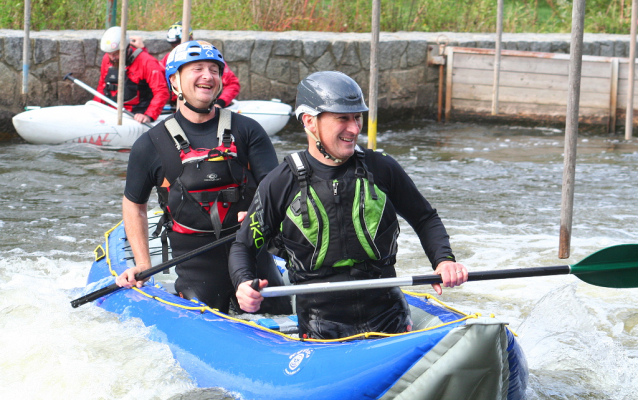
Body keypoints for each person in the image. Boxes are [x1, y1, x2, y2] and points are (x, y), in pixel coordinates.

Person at [228, 71, 468, 340]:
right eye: (342, 118)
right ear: (310, 121)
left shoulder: (382, 168)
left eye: (357, 117)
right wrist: (242, 284)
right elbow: (244, 246)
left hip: (388, 316)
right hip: (322, 324)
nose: (354, 129)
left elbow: (424, 218)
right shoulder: (281, 182)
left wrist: (444, 260)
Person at [115, 40, 288, 315]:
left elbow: (276, 190)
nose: (208, 76)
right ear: (174, 81)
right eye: (197, 69)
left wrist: (262, 213)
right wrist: (143, 265)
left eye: (214, 70)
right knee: (203, 305)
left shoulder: (248, 131)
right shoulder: (151, 144)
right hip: (196, 264)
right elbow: (134, 204)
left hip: (252, 257)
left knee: (279, 311)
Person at [130, 21, 240, 109]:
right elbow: (155, 72)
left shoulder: (209, 58)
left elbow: (233, 84)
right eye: (174, 44)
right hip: (179, 107)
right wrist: (142, 51)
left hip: (209, 106)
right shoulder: (170, 58)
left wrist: (219, 104)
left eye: (179, 43)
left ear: (191, 38)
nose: (177, 47)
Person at [95, 26, 169, 124]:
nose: (112, 58)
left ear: (126, 48)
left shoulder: (147, 62)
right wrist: (95, 107)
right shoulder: (107, 58)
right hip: (112, 111)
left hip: (135, 115)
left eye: (116, 54)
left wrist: (148, 115)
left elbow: (161, 92)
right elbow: (102, 86)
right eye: (110, 54)